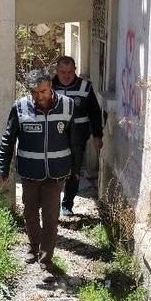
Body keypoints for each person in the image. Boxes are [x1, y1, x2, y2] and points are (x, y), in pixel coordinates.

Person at [0, 68, 83, 270]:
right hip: (30, 172)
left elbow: (76, 141)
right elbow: (8, 139)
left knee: (51, 218)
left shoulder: (67, 106)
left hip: (56, 173)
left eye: (43, 91)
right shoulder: (20, 108)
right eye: (34, 92)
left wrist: (75, 169)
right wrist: (2, 167)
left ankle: (46, 258)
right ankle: (33, 247)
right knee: (30, 214)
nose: (39, 96)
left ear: (50, 87)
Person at [52, 56, 103, 216]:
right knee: (54, 171)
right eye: (62, 72)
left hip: (78, 138)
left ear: (75, 70)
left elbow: (95, 112)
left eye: (70, 72)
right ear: (57, 71)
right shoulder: (49, 86)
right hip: (55, 137)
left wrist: (97, 135)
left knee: (74, 170)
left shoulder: (85, 87)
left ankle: (67, 205)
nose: (66, 75)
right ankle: (51, 204)